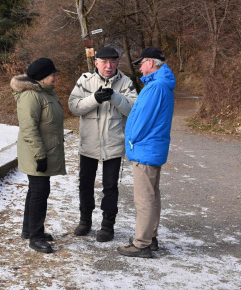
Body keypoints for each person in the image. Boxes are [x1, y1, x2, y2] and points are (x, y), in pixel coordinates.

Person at [68, 47, 138, 242]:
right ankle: (85, 221)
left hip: (114, 144)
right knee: (85, 184)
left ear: (118, 63)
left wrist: (116, 97)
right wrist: (95, 99)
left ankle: (107, 226)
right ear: (96, 62)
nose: (109, 66)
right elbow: (73, 106)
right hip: (89, 143)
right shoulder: (85, 80)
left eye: (113, 62)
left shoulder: (126, 83)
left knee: (110, 187)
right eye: (104, 62)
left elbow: (133, 110)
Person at [117, 47, 176, 258]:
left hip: (145, 149)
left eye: (141, 64)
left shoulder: (155, 88)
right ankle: (150, 238)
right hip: (151, 148)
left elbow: (142, 120)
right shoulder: (161, 85)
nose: (140, 69)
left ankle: (142, 243)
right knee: (152, 196)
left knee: (144, 199)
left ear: (150, 63)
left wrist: (131, 141)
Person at [10, 58, 66, 253]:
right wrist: (40, 155)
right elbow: (28, 128)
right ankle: (36, 236)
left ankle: (29, 230)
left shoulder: (46, 93)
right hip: (36, 153)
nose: (56, 77)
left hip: (45, 152)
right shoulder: (31, 96)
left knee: (36, 192)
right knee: (39, 194)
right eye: (53, 74)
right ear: (42, 77)